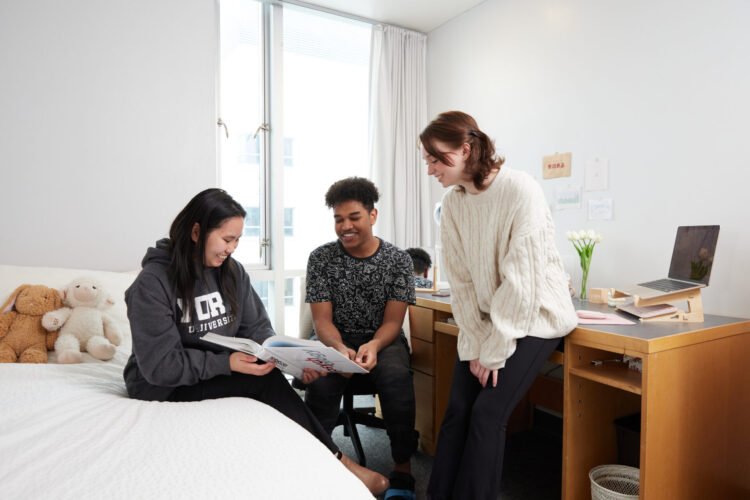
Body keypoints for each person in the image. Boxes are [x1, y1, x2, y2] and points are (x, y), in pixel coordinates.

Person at [123, 188, 388, 496]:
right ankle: (340, 462)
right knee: (262, 384)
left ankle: (322, 463)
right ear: (196, 232)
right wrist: (227, 362)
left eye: (237, 240)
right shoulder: (152, 284)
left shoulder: (231, 272)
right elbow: (160, 366)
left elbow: (257, 329)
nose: (232, 249)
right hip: (161, 386)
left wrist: (294, 362)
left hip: (212, 368)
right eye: (226, 239)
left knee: (268, 373)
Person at [419, 112, 577, 500]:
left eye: (436, 159)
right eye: (428, 161)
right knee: (457, 409)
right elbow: (463, 282)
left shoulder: (520, 189)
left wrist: (493, 351)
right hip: (491, 318)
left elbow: (522, 284)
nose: (431, 170)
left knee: (488, 414)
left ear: (466, 150)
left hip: (537, 316)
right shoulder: (453, 204)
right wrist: (475, 343)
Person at [304, 177, 419, 500]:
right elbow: (322, 321)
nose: (345, 226)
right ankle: (314, 460)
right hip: (333, 338)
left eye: (354, 217)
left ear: (373, 215)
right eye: (338, 219)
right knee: (321, 381)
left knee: (397, 377)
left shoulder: (399, 261)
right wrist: (339, 350)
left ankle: (402, 469)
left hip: (382, 338)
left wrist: (373, 345)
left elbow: (393, 322)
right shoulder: (321, 258)